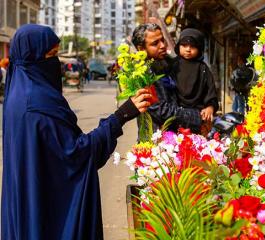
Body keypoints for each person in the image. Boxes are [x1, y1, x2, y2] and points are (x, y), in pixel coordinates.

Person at [2, 24, 153, 239]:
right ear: (32, 57)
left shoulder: (18, 94)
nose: (56, 62)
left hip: (31, 203)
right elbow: (78, 155)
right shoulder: (38, 104)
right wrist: (121, 116)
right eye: (51, 55)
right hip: (49, 216)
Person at [132, 23, 203, 133]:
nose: (162, 46)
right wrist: (198, 117)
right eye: (155, 43)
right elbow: (160, 110)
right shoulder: (141, 75)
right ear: (141, 49)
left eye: (162, 40)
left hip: (179, 134)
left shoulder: (169, 62)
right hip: (157, 141)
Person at [172, 28, 219, 124]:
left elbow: (211, 94)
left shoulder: (203, 69)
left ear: (199, 48)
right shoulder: (171, 66)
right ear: (178, 45)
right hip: (173, 117)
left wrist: (210, 107)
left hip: (197, 117)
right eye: (184, 45)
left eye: (193, 46)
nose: (188, 49)